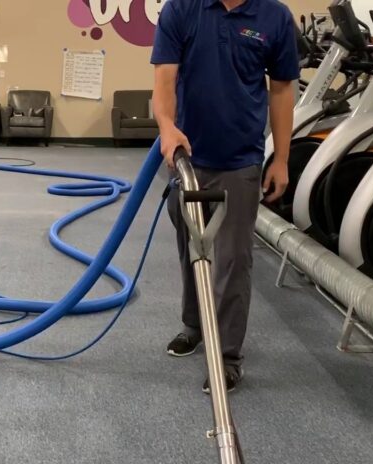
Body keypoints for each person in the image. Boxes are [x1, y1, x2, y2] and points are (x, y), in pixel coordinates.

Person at [151, 0, 299, 393]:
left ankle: (228, 356)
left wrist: (281, 158)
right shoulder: (181, 9)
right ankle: (194, 325)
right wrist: (166, 126)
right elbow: (164, 79)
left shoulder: (274, 16)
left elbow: (282, 88)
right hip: (187, 154)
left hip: (240, 158)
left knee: (233, 258)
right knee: (191, 246)